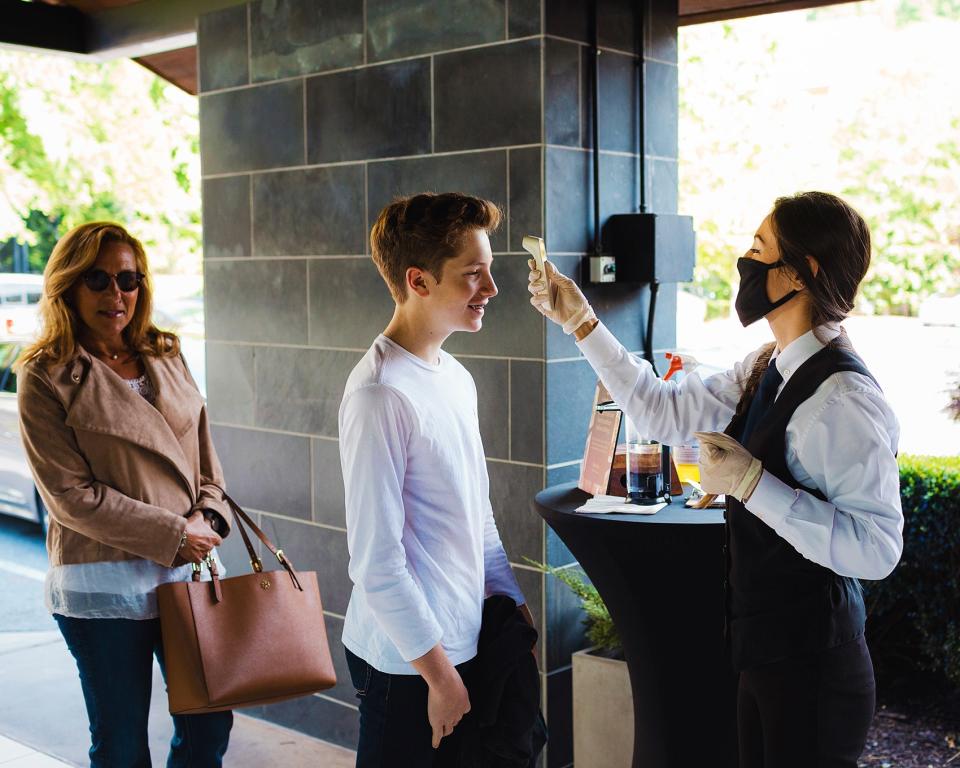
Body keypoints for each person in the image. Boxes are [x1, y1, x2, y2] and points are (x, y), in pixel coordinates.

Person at [528, 191, 903, 768]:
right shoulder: (765, 364)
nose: (744, 263)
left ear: (806, 272)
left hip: (818, 671)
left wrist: (752, 482)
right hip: (762, 659)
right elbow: (660, 410)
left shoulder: (844, 398)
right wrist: (581, 322)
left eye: (758, 250)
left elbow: (876, 549)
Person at [16, 222, 234, 767]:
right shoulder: (45, 374)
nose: (116, 295)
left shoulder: (166, 352)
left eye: (128, 279)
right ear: (68, 286)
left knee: (209, 727)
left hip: (189, 574)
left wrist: (207, 519)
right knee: (120, 745)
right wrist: (173, 533)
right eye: (98, 279)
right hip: (104, 584)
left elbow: (206, 462)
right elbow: (70, 495)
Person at [339, 192, 534, 767]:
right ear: (418, 281)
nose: (491, 289)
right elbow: (376, 561)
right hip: (406, 662)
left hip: (460, 643)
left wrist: (510, 599)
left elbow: (476, 510)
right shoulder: (380, 395)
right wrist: (441, 678)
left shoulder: (454, 376)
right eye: (473, 275)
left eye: (490, 271)